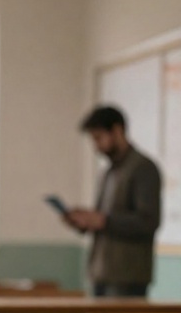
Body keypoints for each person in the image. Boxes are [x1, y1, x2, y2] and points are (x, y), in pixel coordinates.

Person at [61, 106, 161, 297]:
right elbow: (103, 219)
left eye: (99, 138)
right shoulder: (108, 172)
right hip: (101, 272)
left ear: (117, 131)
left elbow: (148, 221)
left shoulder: (143, 168)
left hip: (128, 276)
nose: (96, 146)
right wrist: (83, 221)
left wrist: (104, 221)